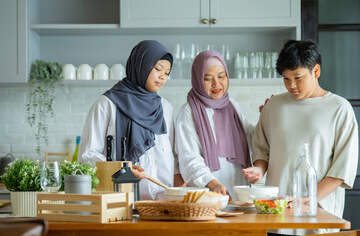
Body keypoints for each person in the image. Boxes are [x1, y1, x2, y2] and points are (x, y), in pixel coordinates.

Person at [243, 40, 358, 235]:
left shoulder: (340, 108)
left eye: (298, 77)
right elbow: (262, 148)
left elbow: (342, 167)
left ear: (316, 71)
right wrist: (259, 168)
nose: (291, 85)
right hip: (277, 215)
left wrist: (308, 200)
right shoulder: (274, 106)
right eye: (286, 79)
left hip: (319, 215)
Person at [78, 40, 183, 200]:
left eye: (167, 72)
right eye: (158, 69)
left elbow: (172, 156)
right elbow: (87, 155)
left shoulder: (165, 108)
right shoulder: (108, 104)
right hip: (120, 201)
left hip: (162, 202)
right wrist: (122, 169)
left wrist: (179, 191)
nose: (163, 76)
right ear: (141, 65)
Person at [175, 50, 255, 199]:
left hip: (237, 196)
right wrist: (214, 184)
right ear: (198, 80)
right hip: (207, 197)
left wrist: (268, 116)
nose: (216, 84)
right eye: (208, 78)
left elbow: (252, 137)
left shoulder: (233, 106)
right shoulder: (189, 111)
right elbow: (189, 158)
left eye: (221, 76)